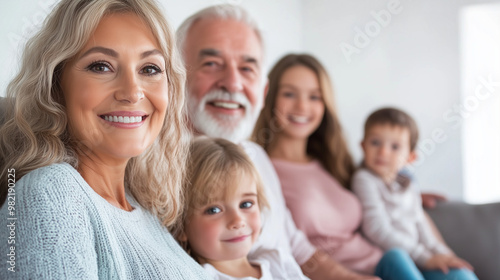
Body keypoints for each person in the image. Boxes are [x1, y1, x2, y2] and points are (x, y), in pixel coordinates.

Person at [0, 0, 210, 278]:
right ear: (55, 85)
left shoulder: (144, 207)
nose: (133, 92)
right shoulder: (51, 194)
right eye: (101, 66)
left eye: (150, 69)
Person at [178, 4, 378, 280]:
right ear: (174, 75)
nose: (233, 83)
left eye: (247, 68)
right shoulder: (160, 170)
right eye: (212, 64)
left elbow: (295, 244)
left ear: (263, 90)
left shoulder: (256, 155)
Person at [252, 53, 447, 279]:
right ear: (269, 96)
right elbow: (290, 250)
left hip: (385, 261)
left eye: (315, 97)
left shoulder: (332, 163)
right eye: (289, 93)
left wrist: (406, 196)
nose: (302, 106)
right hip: (348, 274)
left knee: (459, 274)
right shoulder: (260, 170)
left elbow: (370, 196)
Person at [351, 108, 478, 280]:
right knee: (396, 256)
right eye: (375, 143)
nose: (383, 152)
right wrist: (425, 257)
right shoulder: (364, 179)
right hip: (386, 260)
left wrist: (444, 255)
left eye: (394, 147)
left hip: (418, 260)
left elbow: (420, 224)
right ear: (363, 146)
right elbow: (377, 229)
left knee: (460, 274)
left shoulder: (409, 184)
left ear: (410, 157)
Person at [171, 137, 308, 279]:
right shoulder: (198, 276)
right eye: (214, 210)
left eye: (246, 204)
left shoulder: (279, 263)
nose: (238, 221)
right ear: (181, 226)